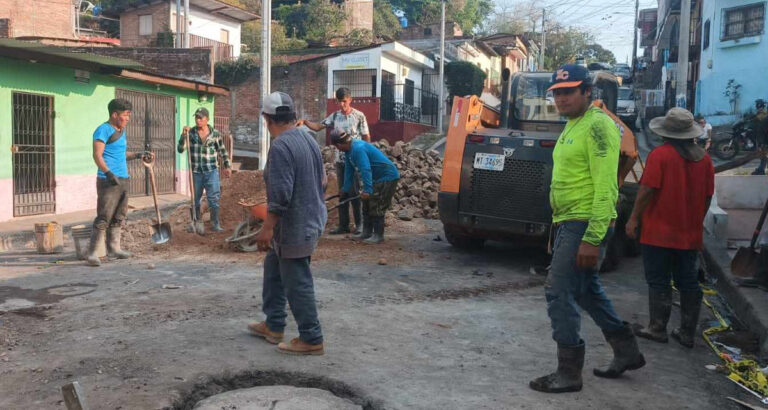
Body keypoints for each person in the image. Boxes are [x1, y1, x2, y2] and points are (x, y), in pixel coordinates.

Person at [529, 64, 645, 394]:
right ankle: (627, 350)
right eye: (557, 93)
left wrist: (593, 238)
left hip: (584, 222)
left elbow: (607, 185)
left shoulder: (597, 126)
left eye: (569, 92)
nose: (561, 99)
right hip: (569, 220)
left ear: (587, 92)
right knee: (585, 290)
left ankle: (568, 372)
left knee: (558, 290)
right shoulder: (574, 123)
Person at [248, 92, 327, 355]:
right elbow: (324, 181)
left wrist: (267, 228)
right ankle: (274, 325)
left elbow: (281, 195)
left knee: (296, 280)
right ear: (292, 115)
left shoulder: (281, 147)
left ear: (267, 119)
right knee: (273, 267)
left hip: (296, 226)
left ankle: (311, 337)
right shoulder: (308, 139)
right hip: (311, 218)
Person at [627, 108, 714, 348]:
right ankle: (687, 333)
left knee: (658, 280)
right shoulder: (705, 160)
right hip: (689, 234)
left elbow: (647, 190)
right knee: (688, 282)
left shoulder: (660, 155)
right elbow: (707, 197)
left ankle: (657, 328)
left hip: (658, 233)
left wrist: (633, 219)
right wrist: (695, 220)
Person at [86, 99, 153, 267]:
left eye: (129, 115)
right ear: (115, 114)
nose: (128, 119)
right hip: (108, 180)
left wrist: (138, 155)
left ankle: (114, 249)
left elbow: (121, 154)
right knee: (104, 216)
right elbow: (97, 155)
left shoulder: (121, 131)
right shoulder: (103, 130)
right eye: (125, 115)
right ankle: (92, 253)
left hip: (123, 178)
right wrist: (108, 173)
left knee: (119, 216)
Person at [299, 87, 370, 236]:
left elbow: (366, 136)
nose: (342, 105)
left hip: (354, 161)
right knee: (343, 192)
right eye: (339, 102)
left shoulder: (359, 116)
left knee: (354, 192)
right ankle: (343, 225)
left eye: (344, 101)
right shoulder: (335, 116)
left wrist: (365, 155)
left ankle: (360, 225)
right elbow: (318, 127)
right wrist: (305, 122)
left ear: (350, 99)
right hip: (340, 161)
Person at [331, 130, 400, 243]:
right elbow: (349, 171)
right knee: (366, 205)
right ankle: (366, 233)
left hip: (387, 177)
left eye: (336, 147)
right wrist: (345, 189)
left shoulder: (358, 149)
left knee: (376, 205)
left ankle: (378, 236)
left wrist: (367, 190)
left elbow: (365, 169)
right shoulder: (348, 151)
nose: (338, 149)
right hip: (376, 178)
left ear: (339, 145)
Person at [177, 107, 232, 233]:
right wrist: (183, 135)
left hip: (211, 172)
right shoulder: (190, 133)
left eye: (201, 118)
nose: (198, 120)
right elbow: (180, 149)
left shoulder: (215, 134)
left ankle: (215, 224)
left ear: (207, 119)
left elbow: (222, 151)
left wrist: (227, 166)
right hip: (196, 172)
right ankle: (196, 222)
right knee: (195, 200)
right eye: (196, 117)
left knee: (214, 200)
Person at [752, 99, 768, 175]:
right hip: (762, 137)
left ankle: (761, 169)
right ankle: (761, 169)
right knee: (763, 155)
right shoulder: (763, 115)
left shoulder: (764, 116)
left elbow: (762, 131)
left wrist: (762, 143)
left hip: (763, 138)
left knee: (763, 154)